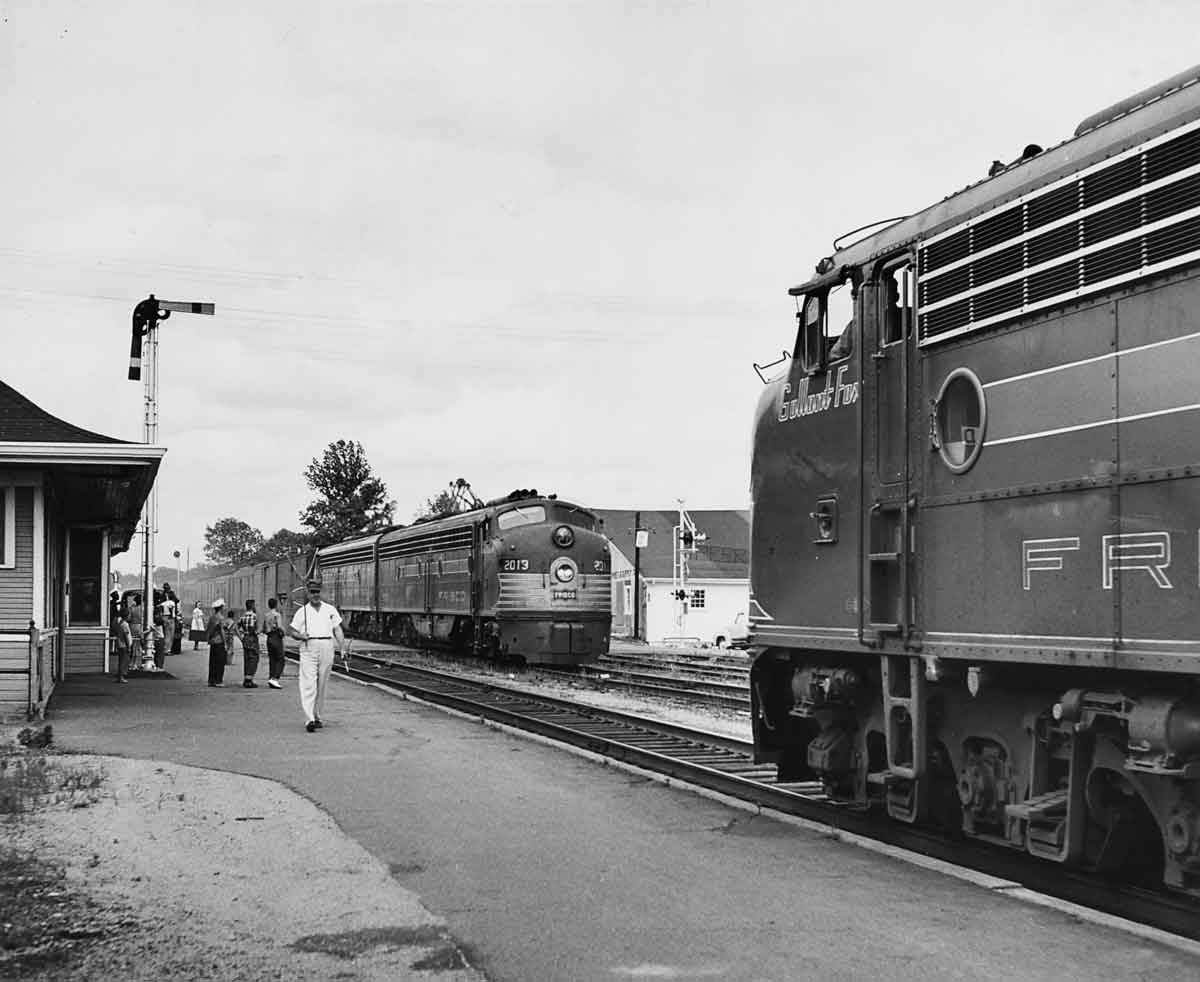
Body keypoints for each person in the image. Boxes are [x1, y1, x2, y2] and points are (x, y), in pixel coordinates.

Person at [288, 578, 348, 733]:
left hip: (327, 646)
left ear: (321, 592)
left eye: (317, 592)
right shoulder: (302, 612)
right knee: (309, 683)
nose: (315, 595)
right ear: (307, 593)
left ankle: (317, 715)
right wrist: (301, 636)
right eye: (312, 592)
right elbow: (292, 631)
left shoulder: (330, 609)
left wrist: (342, 648)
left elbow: (338, 629)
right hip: (309, 646)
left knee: (322, 683)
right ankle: (309, 719)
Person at [262, 597, 286, 689]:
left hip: (269, 638)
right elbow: (279, 627)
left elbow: (264, 628)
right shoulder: (277, 615)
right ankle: (275, 678)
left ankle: (271, 678)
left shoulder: (266, 615)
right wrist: (284, 632)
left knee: (272, 659)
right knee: (281, 659)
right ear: (276, 605)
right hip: (276, 637)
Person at [238, 599, 261, 688]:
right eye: (254, 605)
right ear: (252, 606)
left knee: (247, 658)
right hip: (252, 638)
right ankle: (249, 680)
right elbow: (254, 628)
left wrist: (241, 636)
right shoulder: (254, 616)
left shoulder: (242, 616)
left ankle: (246, 678)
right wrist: (257, 632)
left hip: (245, 638)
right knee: (254, 658)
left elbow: (236, 627)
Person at [205, 599, 228, 686]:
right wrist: (225, 643)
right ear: (221, 608)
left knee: (212, 662)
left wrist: (209, 639)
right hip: (219, 641)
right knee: (220, 662)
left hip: (213, 641)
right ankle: (218, 680)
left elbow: (209, 629)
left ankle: (211, 680)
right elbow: (222, 631)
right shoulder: (221, 618)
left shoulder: (212, 617)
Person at [112, 610, 132, 683]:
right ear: (126, 616)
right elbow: (126, 636)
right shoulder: (125, 624)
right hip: (124, 645)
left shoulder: (120, 623)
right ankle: (121, 677)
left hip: (120, 644)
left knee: (121, 661)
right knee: (123, 662)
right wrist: (128, 646)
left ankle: (120, 677)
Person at [127, 595, 144, 668]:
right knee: (140, 646)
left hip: (133, 626)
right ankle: (138, 663)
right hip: (141, 626)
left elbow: (129, 618)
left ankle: (132, 663)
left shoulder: (132, 608)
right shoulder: (144, 608)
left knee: (133, 645)